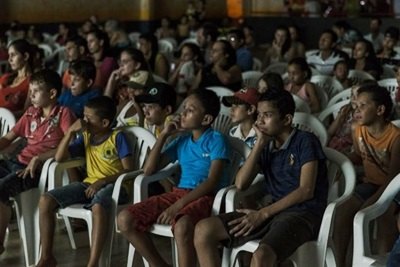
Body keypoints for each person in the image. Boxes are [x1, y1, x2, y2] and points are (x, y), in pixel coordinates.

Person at [194, 88, 328, 267]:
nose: (260, 120)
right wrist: (260, 144)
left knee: (261, 255)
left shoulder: (305, 141)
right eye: (259, 115)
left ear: (287, 119)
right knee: (204, 230)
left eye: (267, 115)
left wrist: (263, 214)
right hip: (272, 212)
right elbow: (241, 184)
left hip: (302, 214)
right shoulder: (267, 145)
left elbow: (306, 190)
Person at [117, 88, 230, 267]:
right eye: (183, 108)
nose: (183, 114)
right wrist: (163, 135)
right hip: (178, 194)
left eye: (190, 110)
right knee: (125, 219)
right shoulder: (181, 141)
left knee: (182, 225)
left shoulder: (216, 140)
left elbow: (211, 182)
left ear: (206, 119)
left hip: (206, 197)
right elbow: (149, 170)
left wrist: (177, 206)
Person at [35, 96, 133, 267]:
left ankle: (93, 263)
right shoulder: (86, 136)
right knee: (45, 200)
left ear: (104, 123)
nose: (83, 121)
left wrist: (102, 181)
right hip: (89, 185)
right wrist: (71, 132)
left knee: (98, 205)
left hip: (116, 186)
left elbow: (129, 170)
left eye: (88, 118)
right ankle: (46, 257)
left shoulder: (118, 137)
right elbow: (59, 157)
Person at [0, 69, 76, 256]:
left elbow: (70, 146)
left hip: (35, 171)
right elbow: (8, 139)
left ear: (52, 93)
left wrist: (40, 158)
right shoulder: (31, 113)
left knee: (1, 188)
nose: (30, 95)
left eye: (35, 91)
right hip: (16, 162)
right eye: (30, 90)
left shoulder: (64, 114)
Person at [334, 84, 400, 266]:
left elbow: (393, 178)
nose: (357, 110)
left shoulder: (396, 138)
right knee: (341, 212)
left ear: (380, 110)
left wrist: (375, 202)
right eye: (356, 106)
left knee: (381, 214)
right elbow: (358, 154)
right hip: (370, 184)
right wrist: (339, 161)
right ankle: (342, 264)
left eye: (363, 106)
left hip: (393, 189)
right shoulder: (359, 130)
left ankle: (382, 260)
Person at [0, 39, 34, 116]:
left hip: (9, 123)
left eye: (13, 55)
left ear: (25, 56)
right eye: (9, 55)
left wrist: (5, 115)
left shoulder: (32, 82)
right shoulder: (6, 78)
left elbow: (26, 112)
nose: (9, 60)